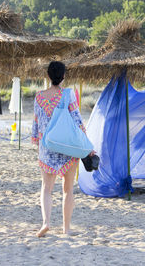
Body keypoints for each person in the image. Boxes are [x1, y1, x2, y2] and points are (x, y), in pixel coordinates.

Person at [31, 61, 93, 237]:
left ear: (48, 76)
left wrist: (36, 141)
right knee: (67, 189)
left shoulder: (39, 97)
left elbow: (36, 121)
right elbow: (77, 120)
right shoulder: (68, 94)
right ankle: (66, 229)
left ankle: (46, 223)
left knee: (46, 188)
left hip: (47, 147)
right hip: (68, 148)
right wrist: (87, 146)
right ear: (63, 76)